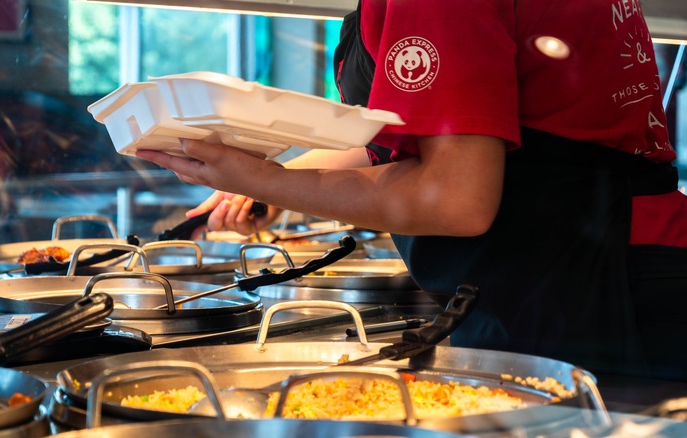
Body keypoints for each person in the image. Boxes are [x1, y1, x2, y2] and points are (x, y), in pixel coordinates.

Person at [136, 0, 687, 382]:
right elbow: (445, 144)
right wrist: (274, 186)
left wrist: (263, 178)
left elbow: (456, 198)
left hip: (594, 288)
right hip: (616, 265)